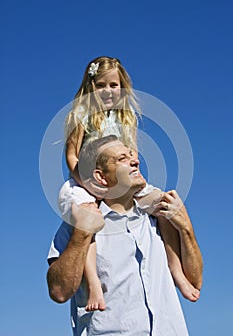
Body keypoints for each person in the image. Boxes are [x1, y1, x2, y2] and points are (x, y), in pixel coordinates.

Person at [58, 56, 199, 311]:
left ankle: (175, 268)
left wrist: (133, 179)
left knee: (162, 205)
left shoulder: (126, 117)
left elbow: (131, 152)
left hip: (118, 178)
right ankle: (93, 285)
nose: (108, 91)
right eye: (101, 85)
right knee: (88, 220)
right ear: (91, 87)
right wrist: (86, 182)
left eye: (113, 85)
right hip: (86, 178)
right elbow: (71, 155)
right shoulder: (81, 114)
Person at [47, 135, 203, 335]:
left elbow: (195, 282)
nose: (136, 161)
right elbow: (59, 292)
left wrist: (186, 228)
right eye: (121, 159)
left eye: (132, 156)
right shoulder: (77, 224)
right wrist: (81, 235)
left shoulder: (157, 219)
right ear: (101, 177)